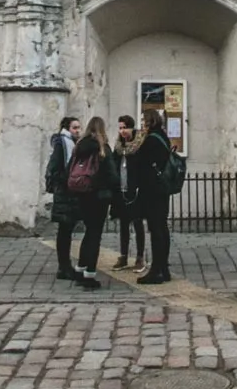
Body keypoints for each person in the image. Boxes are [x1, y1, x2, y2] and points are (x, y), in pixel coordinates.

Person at [70, 116, 120, 288]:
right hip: (99, 197)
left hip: (82, 195)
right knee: (95, 235)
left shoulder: (79, 147)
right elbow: (112, 176)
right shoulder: (102, 148)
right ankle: (89, 275)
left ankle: (79, 269)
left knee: (88, 232)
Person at [130, 108, 174, 284]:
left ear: (150, 121)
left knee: (156, 229)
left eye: (144, 120)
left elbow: (140, 163)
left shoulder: (150, 140)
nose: (142, 123)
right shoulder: (162, 136)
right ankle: (163, 269)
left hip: (152, 190)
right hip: (162, 189)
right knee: (162, 227)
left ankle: (156, 270)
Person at [44, 116, 84, 281]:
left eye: (79, 128)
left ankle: (65, 266)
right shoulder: (63, 144)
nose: (78, 131)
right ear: (67, 128)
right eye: (75, 128)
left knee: (66, 231)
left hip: (69, 193)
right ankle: (64, 266)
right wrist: (65, 181)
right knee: (64, 231)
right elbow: (54, 168)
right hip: (65, 193)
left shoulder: (71, 143)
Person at [111, 115, 147, 273]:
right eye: (120, 128)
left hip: (135, 189)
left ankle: (140, 257)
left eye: (125, 127)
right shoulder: (119, 147)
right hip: (121, 189)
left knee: (138, 224)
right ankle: (123, 255)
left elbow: (142, 168)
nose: (122, 131)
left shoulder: (139, 145)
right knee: (123, 224)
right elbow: (114, 164)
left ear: (132, 128)